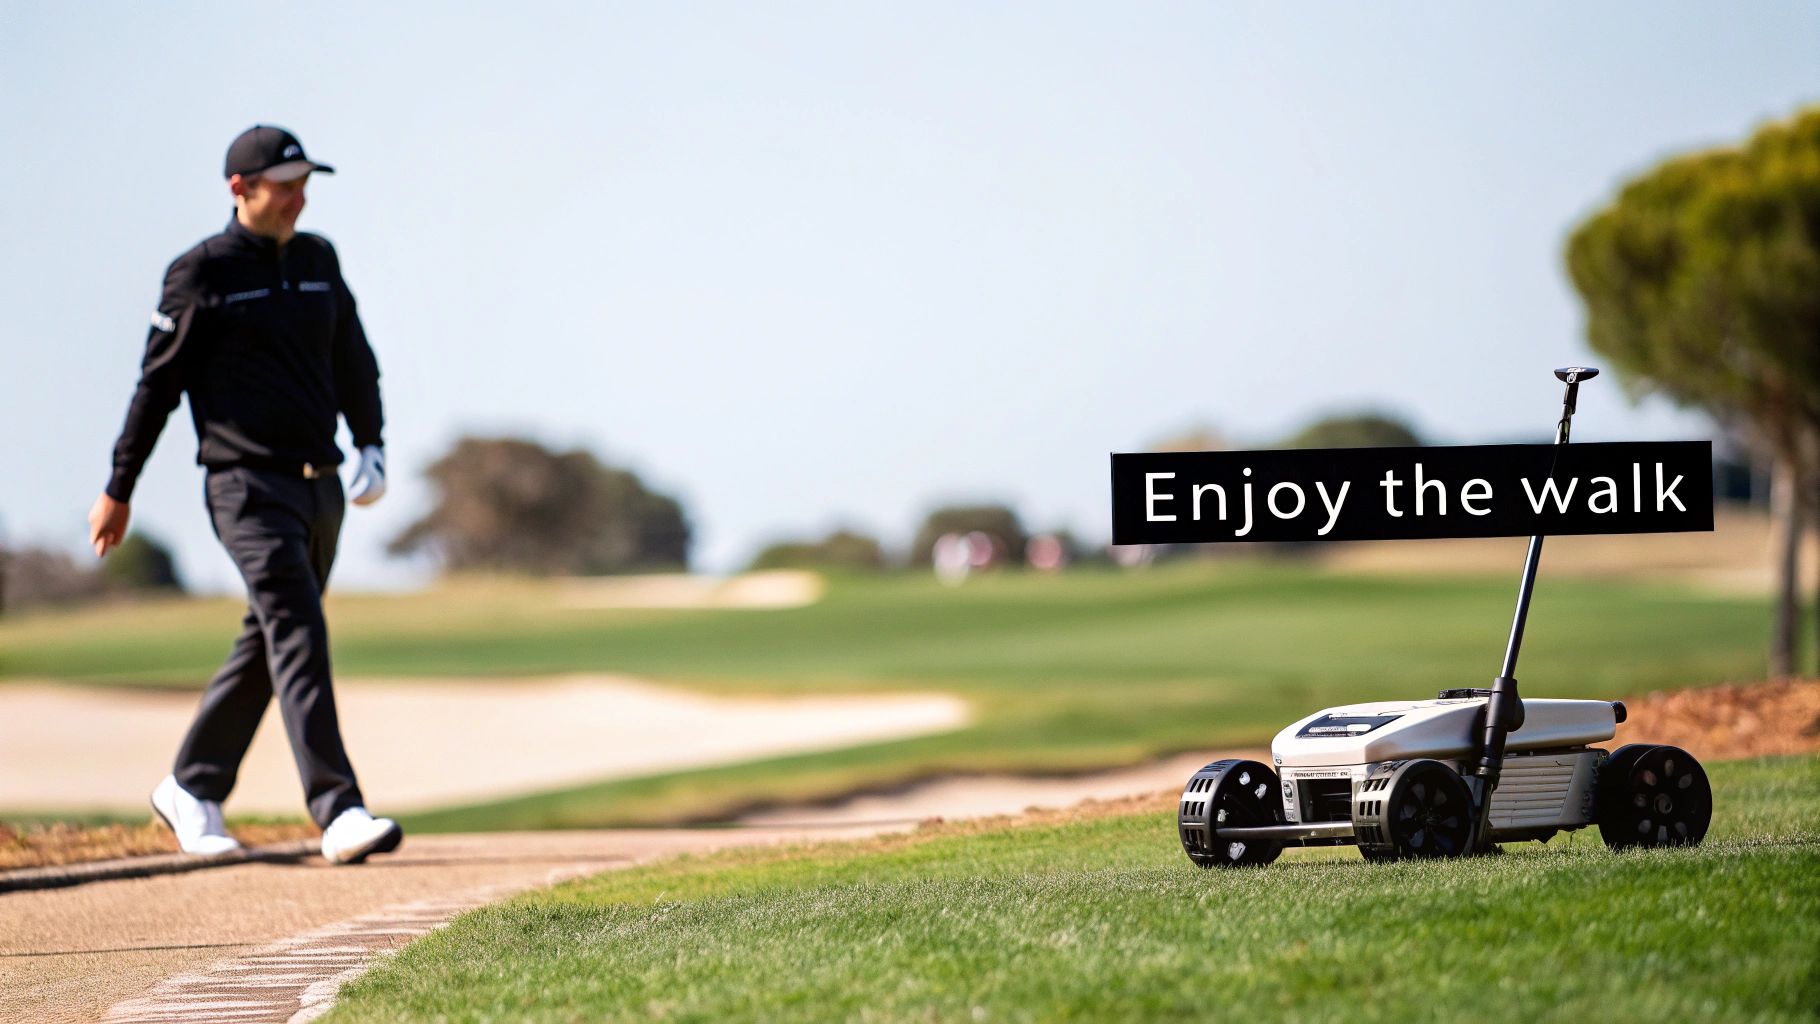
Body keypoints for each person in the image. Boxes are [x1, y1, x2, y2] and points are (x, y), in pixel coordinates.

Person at [88, 125, 403, 865]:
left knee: (272, 637)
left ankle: (190, 786)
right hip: (244, 489)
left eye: (304, 184)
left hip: (319, 487)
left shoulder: (319, 259)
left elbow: (353, 356)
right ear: (240, 188)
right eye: (286, 184)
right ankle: (338, 807)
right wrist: (119, 486)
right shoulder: (200, 273)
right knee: (296, 628)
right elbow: (156, 389)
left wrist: (372, 440)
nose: (299, 197)